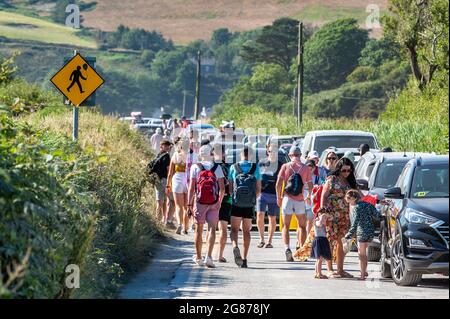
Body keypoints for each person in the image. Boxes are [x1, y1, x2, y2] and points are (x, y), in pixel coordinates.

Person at [295, 157, 360, 279]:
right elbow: (324, 196)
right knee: (330, 241)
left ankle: (340, 269)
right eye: (344, 170)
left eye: (349, 171)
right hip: (330, 216)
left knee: (342, 243)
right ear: (339, 169)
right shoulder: (331, 179)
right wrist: (322, 211)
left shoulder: (350, 182)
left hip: (345, 217)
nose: (346, 173)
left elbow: (359, 196)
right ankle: (330, 269)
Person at [187, 144, 225, 268]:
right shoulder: (217, 167)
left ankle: (198, 257)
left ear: (200, 154)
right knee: (212, 229)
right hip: (214, 202)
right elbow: (222, 188)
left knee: (199, 229)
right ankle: (209, 257)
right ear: (211, 154)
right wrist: (219, 201)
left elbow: (192, 188)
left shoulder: (195, 167)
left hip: (200, 202)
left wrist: (189, 204)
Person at [276, 145, 313, 262]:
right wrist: (308, 196)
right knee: (302, 226)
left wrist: (279, 197)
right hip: (300, 199)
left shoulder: (285, 166)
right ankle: (302, 252)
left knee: (285, 226)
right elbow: (310, 184)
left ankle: (287, 248)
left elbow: (278, 183)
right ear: (300, 155)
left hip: (287, 198)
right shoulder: (305, 168)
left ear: (290, 155)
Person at [229, 147, 262, 268]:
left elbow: (231, 189)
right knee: (246, 231)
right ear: (251, 156)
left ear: (241, 155)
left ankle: (234, 246)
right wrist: (252, 200)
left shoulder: (234, 167)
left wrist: (235, 198)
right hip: (249, 205)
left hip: (236, 203)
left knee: (234, 230)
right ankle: (244, 258)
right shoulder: (255, 167)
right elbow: (258, 189)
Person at [344, 190, 381, 280]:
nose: (348, 201)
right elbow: (377, 215)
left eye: (349, 199)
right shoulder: (369, 205)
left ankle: (362, 275)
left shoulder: (357, 208)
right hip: (370, 231)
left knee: (361, 254)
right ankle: (365, 271)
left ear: (354, 199)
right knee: (364, 253)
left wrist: (348, 235)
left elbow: (355, 223)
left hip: (361, 232)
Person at [256, 144, 282, 249]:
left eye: (275, 151)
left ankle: (269, 241)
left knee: (272, 218)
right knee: (260, 215)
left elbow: (283, 180)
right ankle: (261, 239)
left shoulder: (280, 165)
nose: (273, 153)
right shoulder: (262, 163)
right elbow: (257, 177)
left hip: (274, 194)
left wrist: (281, 195)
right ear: (268, 152)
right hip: (262, 193)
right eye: (271, 151)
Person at [166, 137, 190, 235]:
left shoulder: (175, 155)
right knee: (186, 206)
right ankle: (186, 227)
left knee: (178, 206)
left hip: (177, 179)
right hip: (188, 180)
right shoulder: (192, 156)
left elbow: (170, 173)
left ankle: (180, 224)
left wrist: (168, 185)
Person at [216, 145, 232, 263]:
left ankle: (207, 254)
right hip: (226, 200)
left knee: (210, 229)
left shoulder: (208, 167)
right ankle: (220, 255)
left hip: (209, 201)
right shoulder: (229, 167)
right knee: (223, 229)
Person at [149, 140, 172, 224]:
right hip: (164, 180)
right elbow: (168, 169)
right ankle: (164, 219)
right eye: (165, 146)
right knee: (166, 201)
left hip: (157, 180)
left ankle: (157, 220)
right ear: (162, 146)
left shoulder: (158, 155)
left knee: (159, 201)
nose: (167, 147)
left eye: (167, 146)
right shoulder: (167, 156)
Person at [311, 212, 332, 279]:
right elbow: (319, 224)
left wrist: (325, 219)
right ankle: (319, 273)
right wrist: (321, 219)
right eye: (323, 217)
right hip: (319, 240)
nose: (324, 219)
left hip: (323, 240)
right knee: (319, 259)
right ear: (319, 216)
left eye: (325, 218)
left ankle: (317, 273)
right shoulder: (317, 222)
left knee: (319, 259)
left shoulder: (323, 223)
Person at [304, 160, 318, 236]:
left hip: (312, 202)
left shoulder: (317, 178)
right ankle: (299, 242)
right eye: (307, 167)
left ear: (314, 168)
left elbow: (321, 187)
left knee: (310, 221)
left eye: (311, 167)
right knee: (301, 223)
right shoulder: (301, 177)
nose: (309, 169)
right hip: (302, 201)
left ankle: (307, 239)